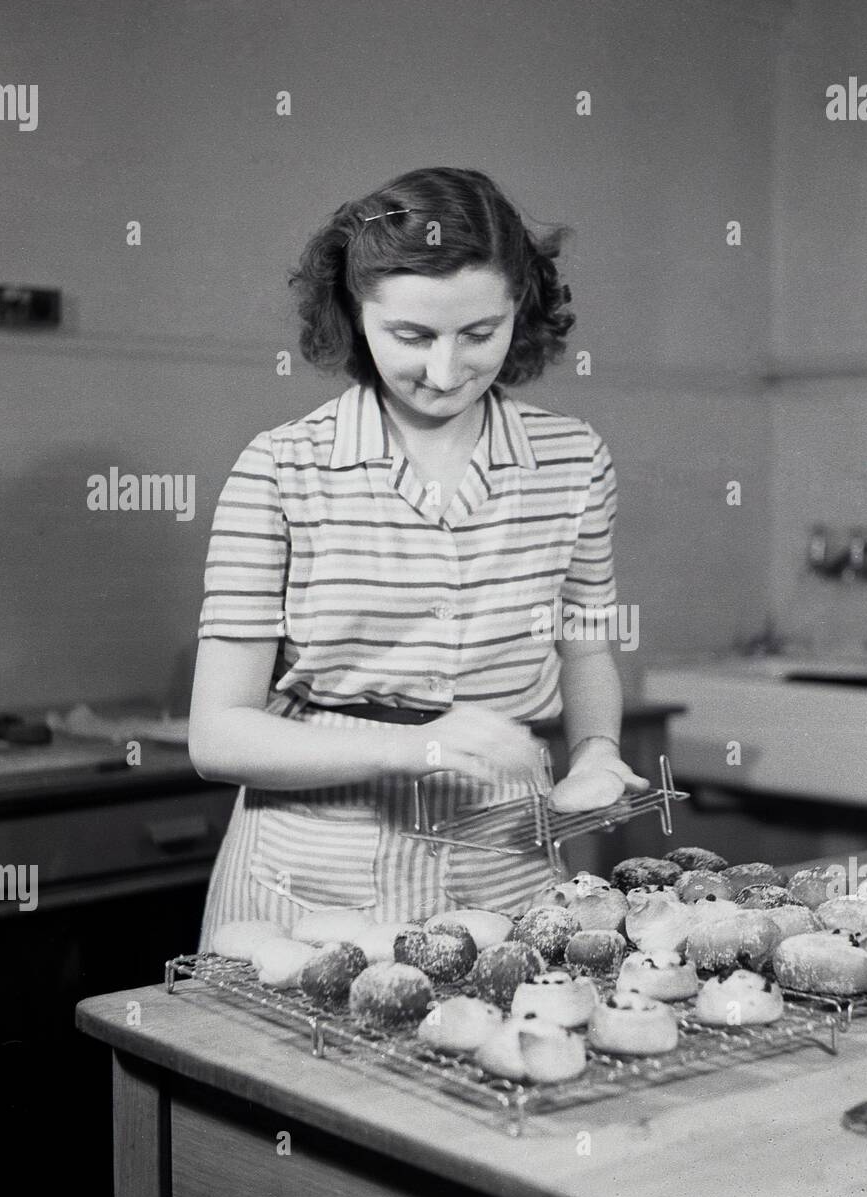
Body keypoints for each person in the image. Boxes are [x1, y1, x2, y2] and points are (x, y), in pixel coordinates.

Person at [190, 166, 646, 948]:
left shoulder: (574, 461)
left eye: (479, 334)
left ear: (521, 310)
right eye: (411, 336)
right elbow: (219, 735)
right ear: (355, 314)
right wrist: (415, 746)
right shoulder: (280, 469)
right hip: (307, 879)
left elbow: (587, 644)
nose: (445, 372)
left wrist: (597, 752)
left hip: (501, 866)